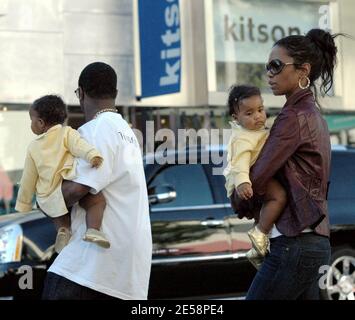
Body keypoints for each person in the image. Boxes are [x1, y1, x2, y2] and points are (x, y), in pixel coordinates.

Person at [232, 28, 340, 300]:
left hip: (295, 243)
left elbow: (258, 176)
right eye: (267, 66)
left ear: (303, 71)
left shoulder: (293, 117)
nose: (269, 73)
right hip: (313, 242)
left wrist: (239, 201)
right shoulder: (313, 114)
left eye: (276, 66)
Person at [42, 62, 152, 300]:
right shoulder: (128, 133)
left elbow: (77, 189)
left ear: (81, 93)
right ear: (115, 93)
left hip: (93, 265)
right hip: (125, 269)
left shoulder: (94, 130)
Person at [15, 95, 109, 253]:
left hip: (47, 194)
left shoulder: (33, 147)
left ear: (40, 123)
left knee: (58, 214)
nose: (31, 124)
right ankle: (93, 229)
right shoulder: (67, 133)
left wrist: (24, 204)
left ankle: (63, 231)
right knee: (97, 201)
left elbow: (28, 179)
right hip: (67, 184)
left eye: (31, 119)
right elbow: (80, 146)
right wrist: (93, 155)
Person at [224, 85, 286, 268]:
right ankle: (259, 234)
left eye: (260, 110)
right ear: (236, 118)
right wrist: (243, 183)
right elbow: (240, 161)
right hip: (246, 179)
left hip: (256, 179)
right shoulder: (242, 137)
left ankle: (258, 249)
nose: (258, 116)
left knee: (262, 213)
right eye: (249, 113)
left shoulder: (256, 131)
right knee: (278, 197)